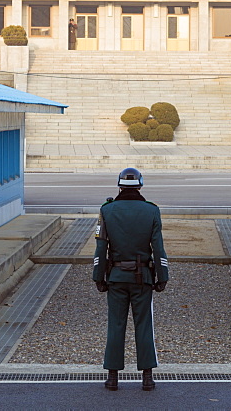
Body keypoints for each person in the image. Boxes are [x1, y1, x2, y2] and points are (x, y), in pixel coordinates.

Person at [92, 167, 169, 391]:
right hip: (142, 278)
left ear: (119, 186)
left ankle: (112, 377)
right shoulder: (151, 211)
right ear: (141, 186)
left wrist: (98, 276)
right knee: (144, 325)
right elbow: (158, 248)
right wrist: (162, 276)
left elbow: (101, 247)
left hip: (116, 277)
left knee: (116, 325)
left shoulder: (107, 210)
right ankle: (147, 377)